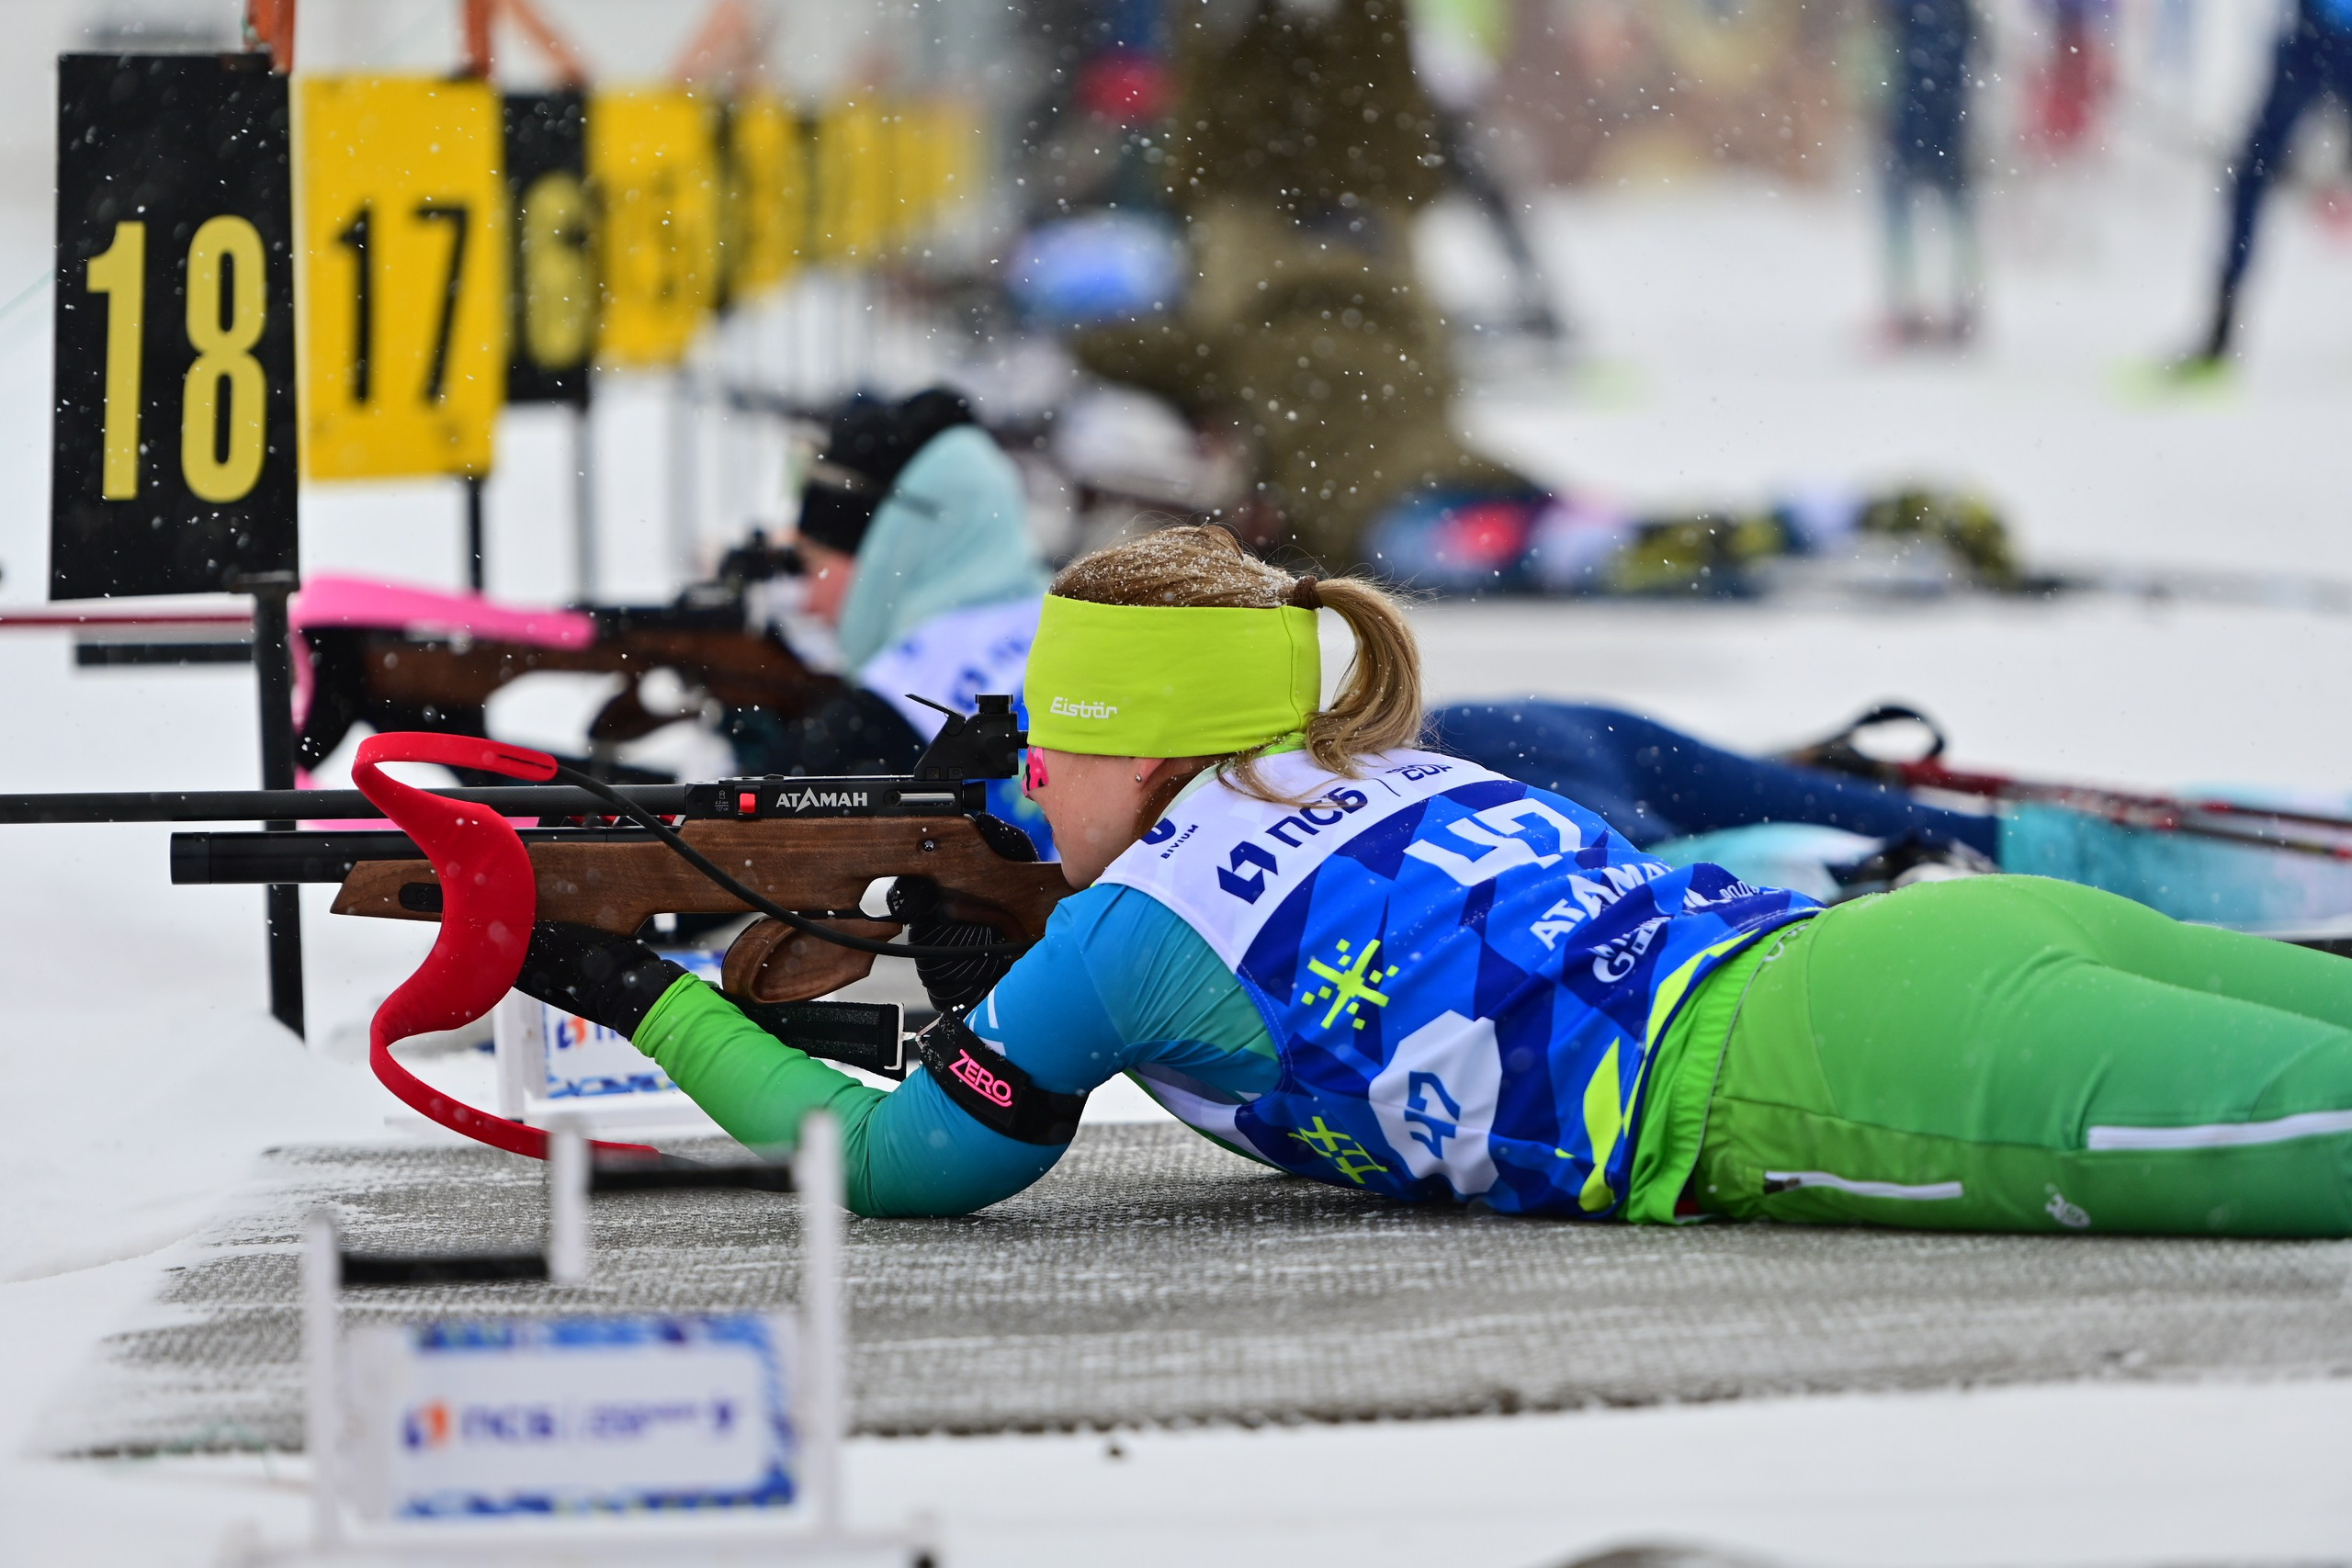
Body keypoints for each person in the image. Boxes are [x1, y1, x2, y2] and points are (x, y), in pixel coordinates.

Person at [517, 525, 2352, 1235]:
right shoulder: (1358, 747)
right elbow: (1097, 801)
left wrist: (637, 991)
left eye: (1051, 743)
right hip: (1909, 950)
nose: (1026, 779)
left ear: (1135, 741)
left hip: (1818, 1067)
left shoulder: (1132, 934)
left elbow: (903, 1165)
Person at [726, 386, 1054, 850]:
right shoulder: (1072, 624)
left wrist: (760, 757)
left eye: (811, 563)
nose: (807, 600)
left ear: (894, 551)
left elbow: (720, 850)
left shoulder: (899, 698)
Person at [2187, 0, 2352, 366]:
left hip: (2313, 42)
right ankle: (2219, 334)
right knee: (2251, 175)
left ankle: (2219, 335)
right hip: (2311, 42)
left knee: (2252, 175)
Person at [1881, 0, 1982, 344]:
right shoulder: (1956, 11)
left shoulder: (1905, 9)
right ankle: (1956, 303)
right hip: (1942, 119)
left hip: (1919, 120)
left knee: (1909, 210)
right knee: (1952, 211)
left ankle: (1915, 304)